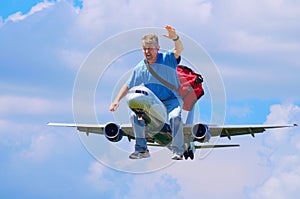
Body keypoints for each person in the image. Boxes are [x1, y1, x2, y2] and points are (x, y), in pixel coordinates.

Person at [110, 25, 185, 160]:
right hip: (152, 103)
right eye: (144, 49)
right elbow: (128, 85)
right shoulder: (140, 68)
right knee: (135, 116)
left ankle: (179, 150)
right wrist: (116, 100)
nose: (146, 52)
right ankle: (142, 149)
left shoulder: (167, 58)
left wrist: (175, 38)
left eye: (150, 48)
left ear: (157, 48)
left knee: (175, 118)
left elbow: (179, 49)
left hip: (171, 100)